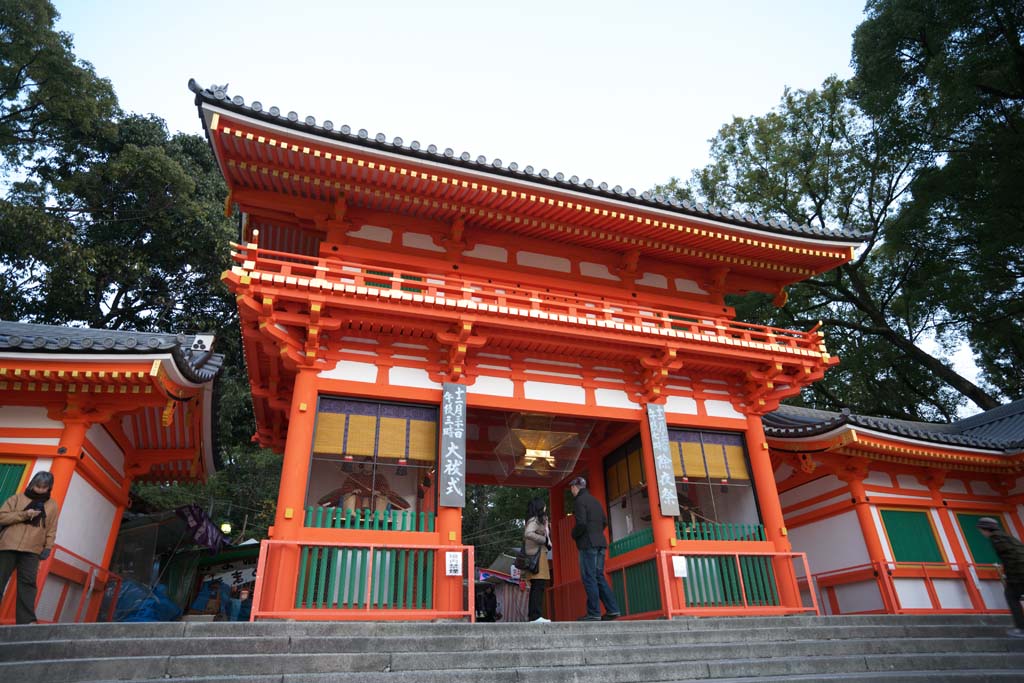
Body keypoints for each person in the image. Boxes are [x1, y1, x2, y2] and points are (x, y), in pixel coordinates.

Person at [0, 471, 60, 624]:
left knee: (28, 584)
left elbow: (51, 528)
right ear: (32, 483)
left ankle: (26, 621)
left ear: (49, 488)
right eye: (37, 486)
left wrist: (48, 546)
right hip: (8, 545)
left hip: (32, 550)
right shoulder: (17, 498)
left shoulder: (52, 505)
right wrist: (25, 515)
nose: (39, 490)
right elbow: (2, 517)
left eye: (43, 487)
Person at [569, 476, 620, 621]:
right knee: (599, 576)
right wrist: (596, 531)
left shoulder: (579, 501)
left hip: (588, 544)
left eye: (571, 488)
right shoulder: (595, 501)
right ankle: (612, 609)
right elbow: (604, 521)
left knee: (589, 577)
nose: (571, 490)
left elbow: (581, 524)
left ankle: (594, 612)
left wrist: (574, 534)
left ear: (575, 487)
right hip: (600, 543)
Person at [976, 517, 1024, 638]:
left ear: (986, 529)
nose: (982, 533)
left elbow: (1012, 558)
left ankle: (1021, 628)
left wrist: (1011, 577)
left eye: (981, 530)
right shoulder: (1007, 537)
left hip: (1018, 573)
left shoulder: (997, 539)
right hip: (1019, 572)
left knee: (1011, 596)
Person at [523, 496, 552, 623]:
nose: (546, 507)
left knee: (538, 586)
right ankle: (535, 616)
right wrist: (543, 539)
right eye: (544, 505)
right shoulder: (534, 520)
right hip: (537, 556)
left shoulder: (537, 520)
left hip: (538, 555)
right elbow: (528, 533)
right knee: (538, 586)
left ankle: (534, 616)